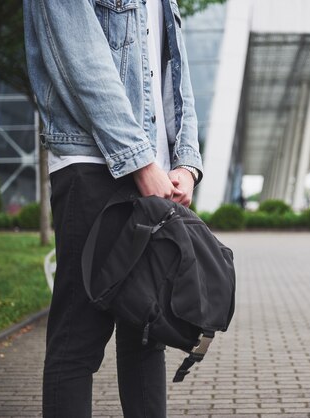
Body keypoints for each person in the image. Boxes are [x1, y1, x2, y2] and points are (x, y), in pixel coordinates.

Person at [23, 0, 203, 416]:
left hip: (157, 177)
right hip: (92, 166)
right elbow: (79, 58)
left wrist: (187, 164)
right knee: (78, 338)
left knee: (146, 333)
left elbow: (177, 75)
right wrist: (140, 161)